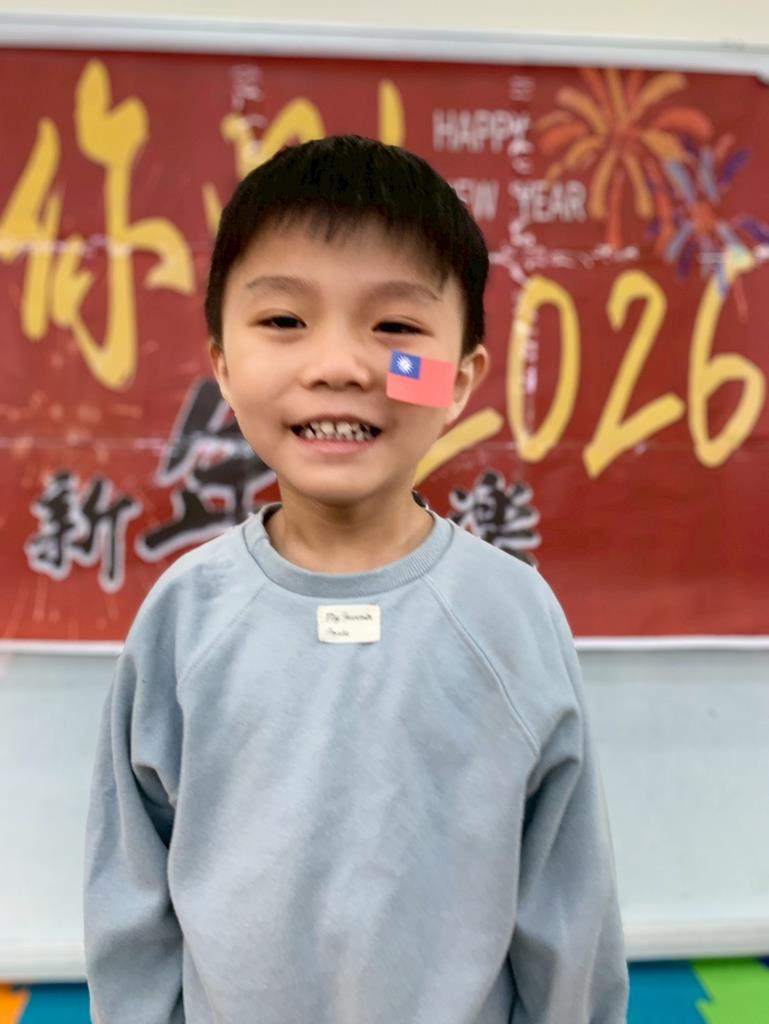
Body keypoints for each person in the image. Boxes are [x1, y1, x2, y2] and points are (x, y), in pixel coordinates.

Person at [83, 135, 629, 1023]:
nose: (338, 365)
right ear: (222, 363)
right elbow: (131, 896)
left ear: (458, 380)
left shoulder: (509, 615)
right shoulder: (185, 616)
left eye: (397, 329)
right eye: (283, 321)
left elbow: (568, 906)